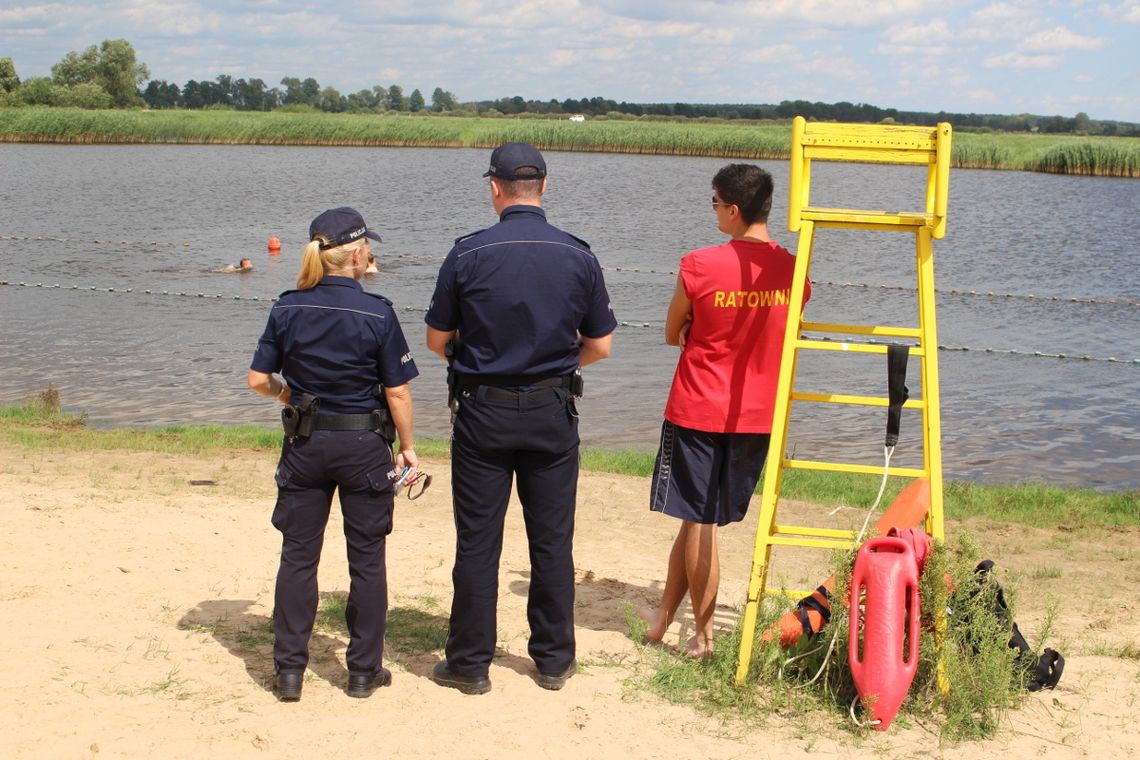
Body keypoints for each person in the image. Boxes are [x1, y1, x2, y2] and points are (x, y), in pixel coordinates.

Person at [424, 142, 616, 695]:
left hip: (484, 410)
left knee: (478, 541)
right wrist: (557, 365)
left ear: (495, 189)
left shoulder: (467, 254)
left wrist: (481, 359)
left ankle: (469, 664)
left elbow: (437, 340)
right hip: (553, 410)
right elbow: (600, 345)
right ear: (545, 187)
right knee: (552, 541)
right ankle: (553, 660)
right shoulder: (579, 254)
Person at [247, 206, 419, 701]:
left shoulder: (287, 307)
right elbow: (398, 393)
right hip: (365, 447)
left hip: (305, 443)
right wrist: (407, 448)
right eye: (371, 249)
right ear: (359, 254)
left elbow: (258, 379)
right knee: (367, 559)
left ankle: (289, 674)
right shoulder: (378, 312)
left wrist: (288, 397)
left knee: (298, 557)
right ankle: (364, 672)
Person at [638, 164, 811, 659]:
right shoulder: (794, 270)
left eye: (715, 203)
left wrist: (696, 329)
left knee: (701, 521)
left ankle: (703, 633)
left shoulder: (699, 264)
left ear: (733, 210)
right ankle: (663, 619)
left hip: (699, 407)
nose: (713, 211)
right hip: (758, 414)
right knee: (697, 520)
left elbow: (673, 331)